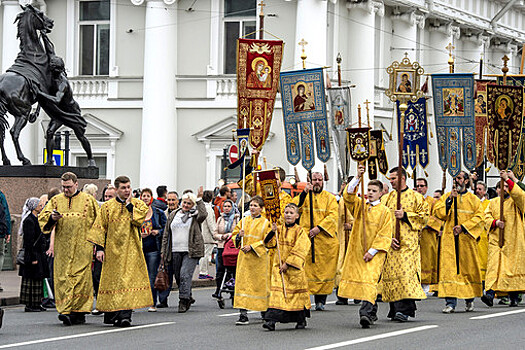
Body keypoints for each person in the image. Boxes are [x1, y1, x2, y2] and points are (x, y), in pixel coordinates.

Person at [87, 176, 152, 327]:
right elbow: (100, 228)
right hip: (111, 251)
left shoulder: (138, 204)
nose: (127, 190)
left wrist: (129, 206)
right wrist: (100, 249)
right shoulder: (107, 207)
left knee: (126, 283)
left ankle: (125, 316)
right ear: (116, 190)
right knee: (112, 283)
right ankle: (113, 314)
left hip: (131, 250)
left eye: (128, 187)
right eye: (123, 188)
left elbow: (139, 220)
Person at [39, 172, 99, 326]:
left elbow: (99, 223)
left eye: (69, 187)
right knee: (64, 279)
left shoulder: (88, 200)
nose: (66, 190)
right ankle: (66, 311)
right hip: (63, 249)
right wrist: (52, 218)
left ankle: (79, 312)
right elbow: (43, 217)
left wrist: (98, 246)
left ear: (76, 184)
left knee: (80, 280)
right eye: (63, 187)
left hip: (83, 248)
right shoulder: (56, 201)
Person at [339, 165, 393, 328]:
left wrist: (372, 251)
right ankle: (372, 310)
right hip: (358, 251)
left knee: (369, 281)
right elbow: (348, 196)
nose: (370, 192)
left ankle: (366, 314)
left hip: (374, 253)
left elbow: (385, 235)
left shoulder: (385, 212)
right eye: (368, 189)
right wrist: (358, 177)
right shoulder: (360, 206)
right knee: (364, 283)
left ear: (381, 193)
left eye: (373, 190)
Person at [380, 167, 428, 322]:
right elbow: (381, 220)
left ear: (402, 178)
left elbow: (424, 218)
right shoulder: (387, 198)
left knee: (406, 277)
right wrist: (387, 239)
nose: (390, 181)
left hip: (408, 245)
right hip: (391, 244)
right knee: (392, 276)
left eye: (393, 178)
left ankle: (405, 310)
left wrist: (406, 215)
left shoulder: (416, 197)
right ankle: (394, 309)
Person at [434, 171, 483, 313]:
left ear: (466, 181)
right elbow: (439, 213)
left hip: (466, 240)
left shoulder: (473, 200)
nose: (457, 181)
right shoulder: (447, 196)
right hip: (450, 240)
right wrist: (449, 200)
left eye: (460, 178)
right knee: (449, 270)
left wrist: (463, 227)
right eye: (455, 179)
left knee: (467, 270)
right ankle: (450, 303)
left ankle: (469, 300)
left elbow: (480, 217)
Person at [293, 172, 339, 311]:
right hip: (307, 238)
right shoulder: (305, 195)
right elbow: (295, 208)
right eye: (315, 179)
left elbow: (333, 216)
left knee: (324, 272)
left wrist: (319, 228)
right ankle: (305, 300)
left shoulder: (330, 198)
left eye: (320, 180)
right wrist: (304, 193)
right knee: (306, 271)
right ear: (310, 180)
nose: (317, 182)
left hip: (324, 239)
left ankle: (321, 300)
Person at [263, 203, 311, 331]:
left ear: (297, 216)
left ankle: (301, 319)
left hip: (293, 270)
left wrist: (288, 263)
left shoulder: (300, 231)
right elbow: (268, 244)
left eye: (291, 213)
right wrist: (272, 232)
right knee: (277, 294)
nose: (288, 215)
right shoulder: (278, 229)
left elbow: (301, 248)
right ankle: (271, 321)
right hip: (278, 268)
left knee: (295, 296)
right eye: (286, 212)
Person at [482, 171, 525, 307]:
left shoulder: (515, 201)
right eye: (501, 187)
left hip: (513, 240)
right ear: (497, 190)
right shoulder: (493, 203)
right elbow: (486, 217)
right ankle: (489, 293)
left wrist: (509, 180)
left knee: (511, 268)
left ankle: (513, 297)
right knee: (493, 266)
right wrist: (495, 223)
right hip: (496, 240)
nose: (504, 189)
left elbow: (520, 195)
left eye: (506, 187)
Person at [161, 188, 206, 313]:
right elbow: (166, 234)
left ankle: (183, 300)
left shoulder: (195, 215)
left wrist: (199, 199)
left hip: (190, 250)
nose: (186, 205)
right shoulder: (173, 214)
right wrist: (163, 251)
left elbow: (203, 214)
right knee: (179, 276)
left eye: (189, 203)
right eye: (184, 202)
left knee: (185, 274)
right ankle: (188, 295)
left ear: (193, 205)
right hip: (175, 250)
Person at [232, 196, 274, 325]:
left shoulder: (266, 223)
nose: (252, 208)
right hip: (244, 260)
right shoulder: (244, 221)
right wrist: (239, 236)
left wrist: (253, 247)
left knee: (260, 286)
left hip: (259, 260)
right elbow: (234, 236)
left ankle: (264, 311)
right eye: (251, 205)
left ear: (261, 209)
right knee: (242, 285)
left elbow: (268, 241)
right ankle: (243, 314)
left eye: (255, 206)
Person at [139, 188, 167, 312]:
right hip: (139, 248)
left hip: (153, 248)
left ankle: (152, 302)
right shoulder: (136, 212)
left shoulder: (157, 212)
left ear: (151, 198)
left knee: (151, 275)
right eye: (143, 196)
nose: (145, 198)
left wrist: (157, 231)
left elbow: (166, 229)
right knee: (137, 276)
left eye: (147, 196)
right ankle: (134, 302)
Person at [19, 197, 49, 312]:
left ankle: (37, 303)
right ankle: (30, 304)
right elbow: (28, 241)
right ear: (34, 207)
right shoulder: (29, 220)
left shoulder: (35, 219)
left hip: (38, 253)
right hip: (32, 254)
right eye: (39, 205)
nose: (41, 207)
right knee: (31, 280)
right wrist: (31, 258)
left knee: (38, 279)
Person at [416, 178, 442, 294]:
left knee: (427, 259)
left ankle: (426, 285)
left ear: (426, 187)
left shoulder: (432, 202)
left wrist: (424, 222)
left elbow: (437, 217)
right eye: (417, 186)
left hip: (427, 235)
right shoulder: (413, 199)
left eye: (422, 186)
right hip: (415, 235)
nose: (419, 188)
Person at [212, 199, 239, 298]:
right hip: (221, 246)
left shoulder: (237, 219)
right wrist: (221, 237)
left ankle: (233, 290)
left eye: (229, 206)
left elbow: (238, 232)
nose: (226, 208)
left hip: (232, 247)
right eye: (225, 206)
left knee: (233, 270)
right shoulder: (220, 218)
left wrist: (229, 235)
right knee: (220, 269)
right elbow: (214, 233)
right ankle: (218, 289)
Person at [335, 180, 354, 306]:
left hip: (356, 238)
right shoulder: (342, 201)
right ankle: (341, 295)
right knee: (340, 265)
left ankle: (356, 294)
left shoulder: (362, 201)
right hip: (342, 236)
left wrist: (352, 224)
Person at [199, 190, 217, 280]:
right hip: (207, 235)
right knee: (206, 254)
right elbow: (210, 222)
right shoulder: (209, 208)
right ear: (211, 198)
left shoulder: (201, 207)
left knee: (203, 254)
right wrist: (215, 234)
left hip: (201, 233)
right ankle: (203, 272)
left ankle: (202, 271)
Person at [475, 181, 490, 285]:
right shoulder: (473, 203)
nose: (477, 191)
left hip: (485, 235)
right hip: (474, 235)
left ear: (485, 191)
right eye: (477, 189)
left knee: (484, 259)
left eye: (480, 189)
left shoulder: (489, 204)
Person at [0, 189, 10, 293]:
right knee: (0, 254)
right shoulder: (1, 195)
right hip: (0, 232)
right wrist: (8, 231)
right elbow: (6, 214)